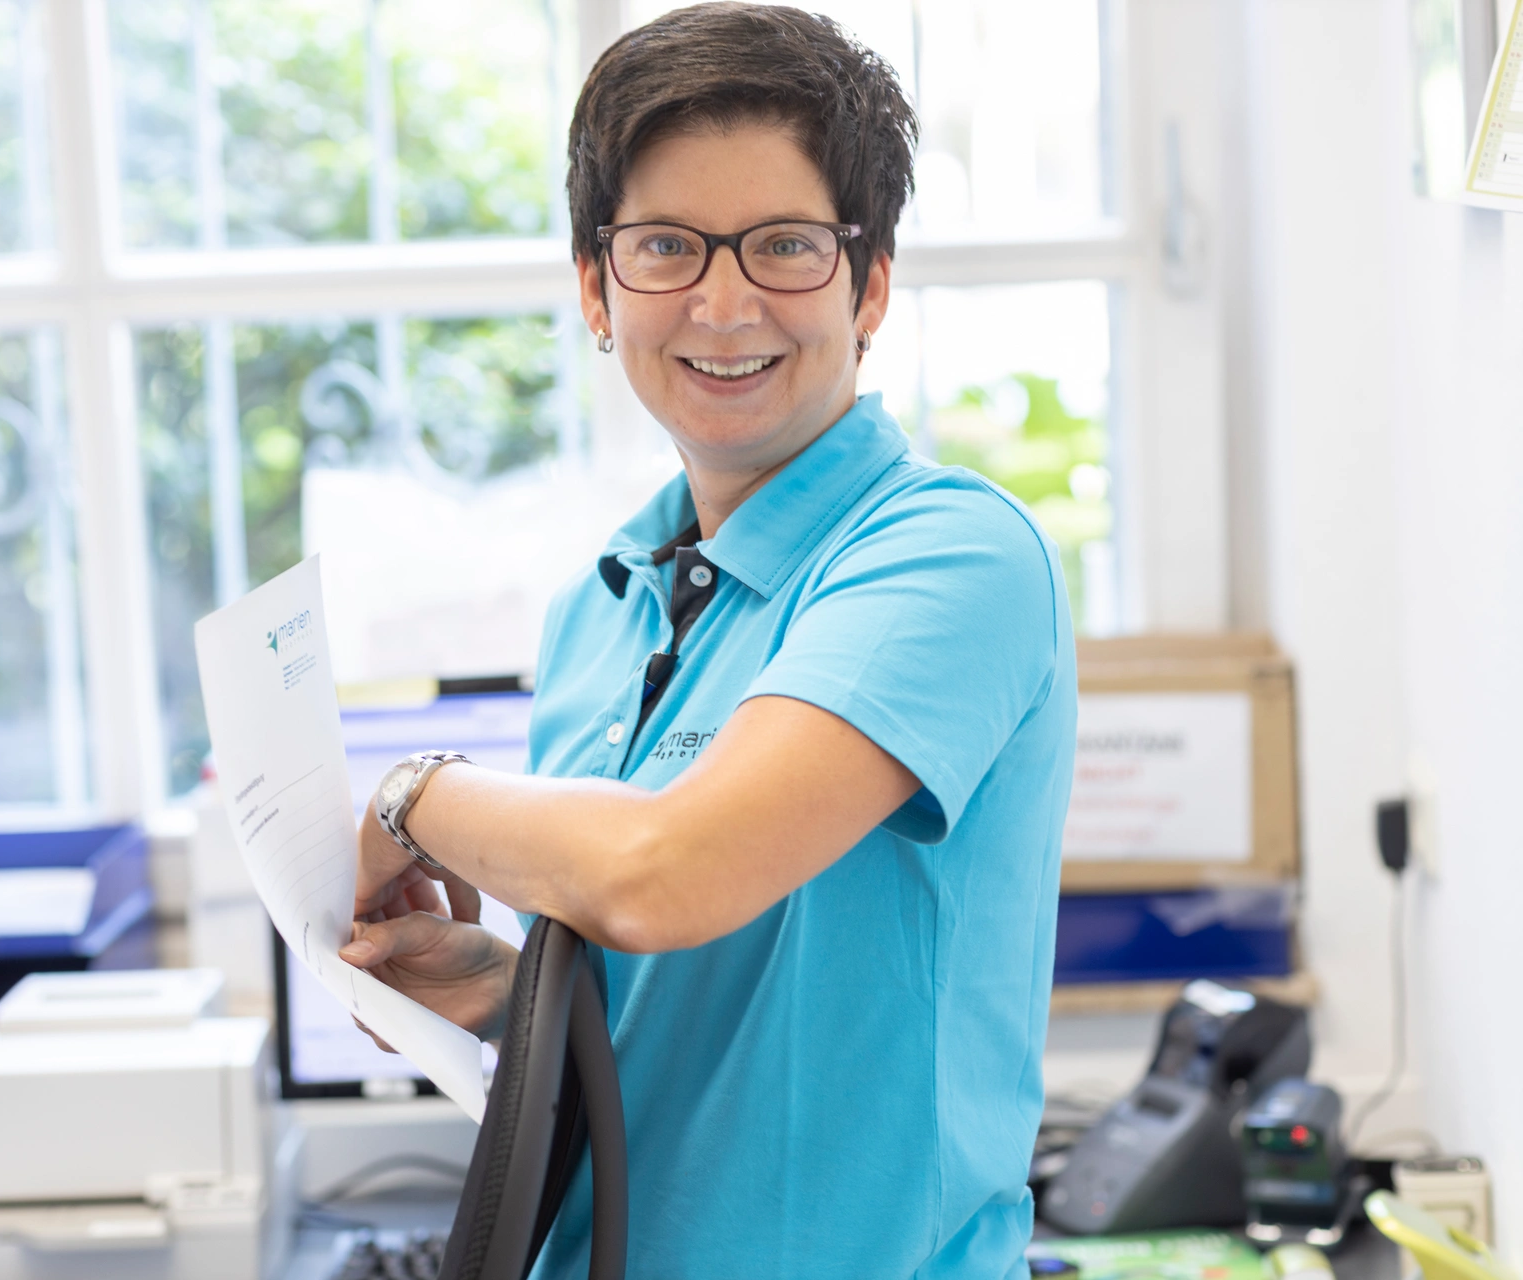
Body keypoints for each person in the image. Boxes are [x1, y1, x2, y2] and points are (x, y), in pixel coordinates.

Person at [339, 4, 1078, 1276]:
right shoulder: (602, 605)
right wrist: (513, 995)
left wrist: (416, 795)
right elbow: (683, 1002)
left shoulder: (952, 556)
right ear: (595, 287)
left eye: (785, 244)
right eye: (668, 246)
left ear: (872, 284)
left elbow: (668, 873)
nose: (725, 303)